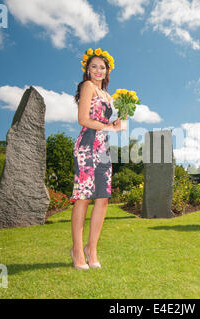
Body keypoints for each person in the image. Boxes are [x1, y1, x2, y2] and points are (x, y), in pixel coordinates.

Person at [70, 48, 122, 270]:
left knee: (102, 199)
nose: (98, 71)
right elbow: (83, 119)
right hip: (86, 146)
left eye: (102, 67)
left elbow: (113, 126)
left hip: (103, 149)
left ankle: (92, 249)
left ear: (107, 70)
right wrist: (109, 126)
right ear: (87, 70)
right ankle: (77, 250)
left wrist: (120, 121)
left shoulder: (109, 96)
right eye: (94, 67)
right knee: (84, 197)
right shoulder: (87, 87)